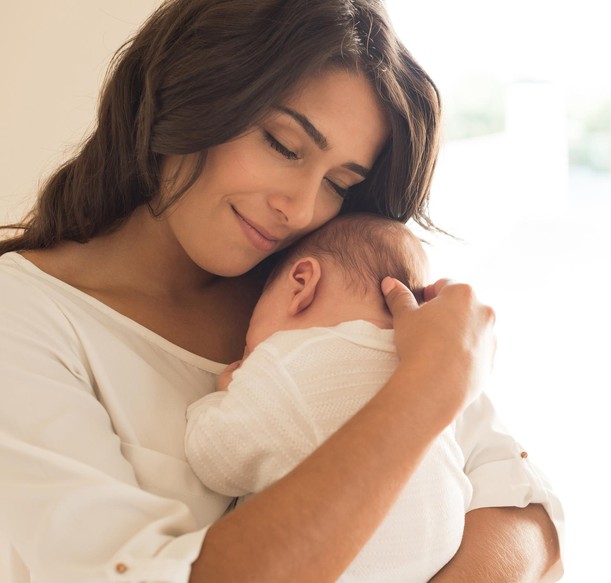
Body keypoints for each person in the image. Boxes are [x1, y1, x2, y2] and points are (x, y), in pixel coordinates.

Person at [0, 1, 563, 582]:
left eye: (339, 183)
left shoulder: (325, 292)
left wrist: (437, 386)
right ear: (189, 91)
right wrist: (428, 389)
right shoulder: (24, 318)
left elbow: (526, 518)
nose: (299, 209)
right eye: (283, 145)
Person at [186, 212, 474, 581]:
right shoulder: (426, 365)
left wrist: (221, 398)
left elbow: (216, 461)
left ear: (301, 283)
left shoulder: (288, 360)